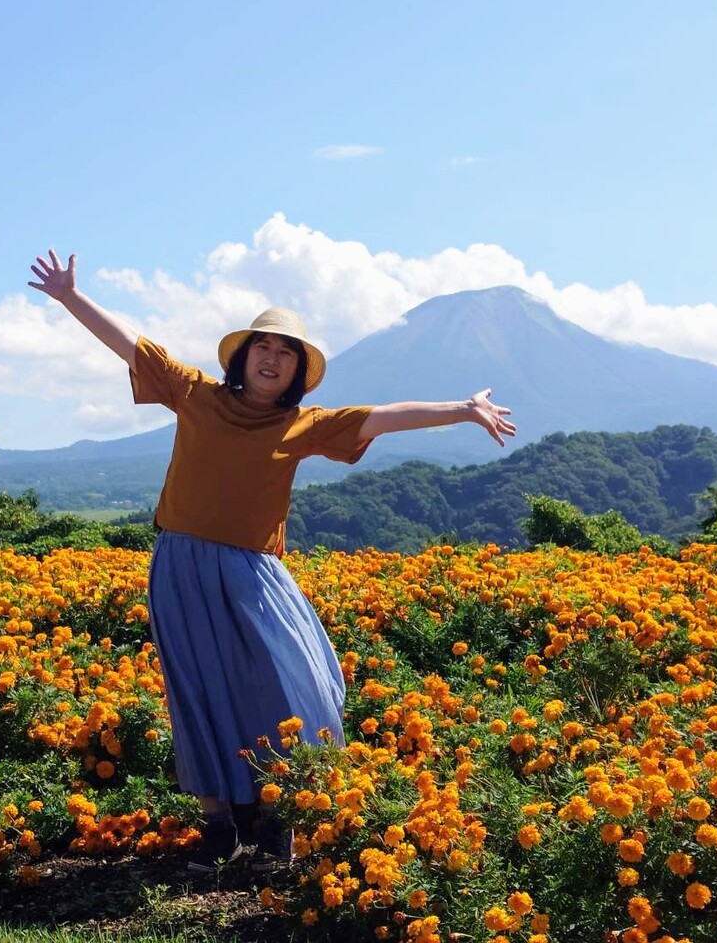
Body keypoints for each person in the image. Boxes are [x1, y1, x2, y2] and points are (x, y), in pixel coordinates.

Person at [28, 249, 516, 872]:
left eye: (286, 353)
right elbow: (130, 346)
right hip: (181, 566)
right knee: (197, 689)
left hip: (255, 574)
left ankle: (277, 816)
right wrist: (71, 297)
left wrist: (462, 408)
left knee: (290, 683)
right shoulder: (195, 393)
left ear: (295, 372)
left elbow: (384, 418)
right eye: (263, 346)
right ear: (242, 356)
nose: (271, 358)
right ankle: (219, 827)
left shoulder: (305, 425)